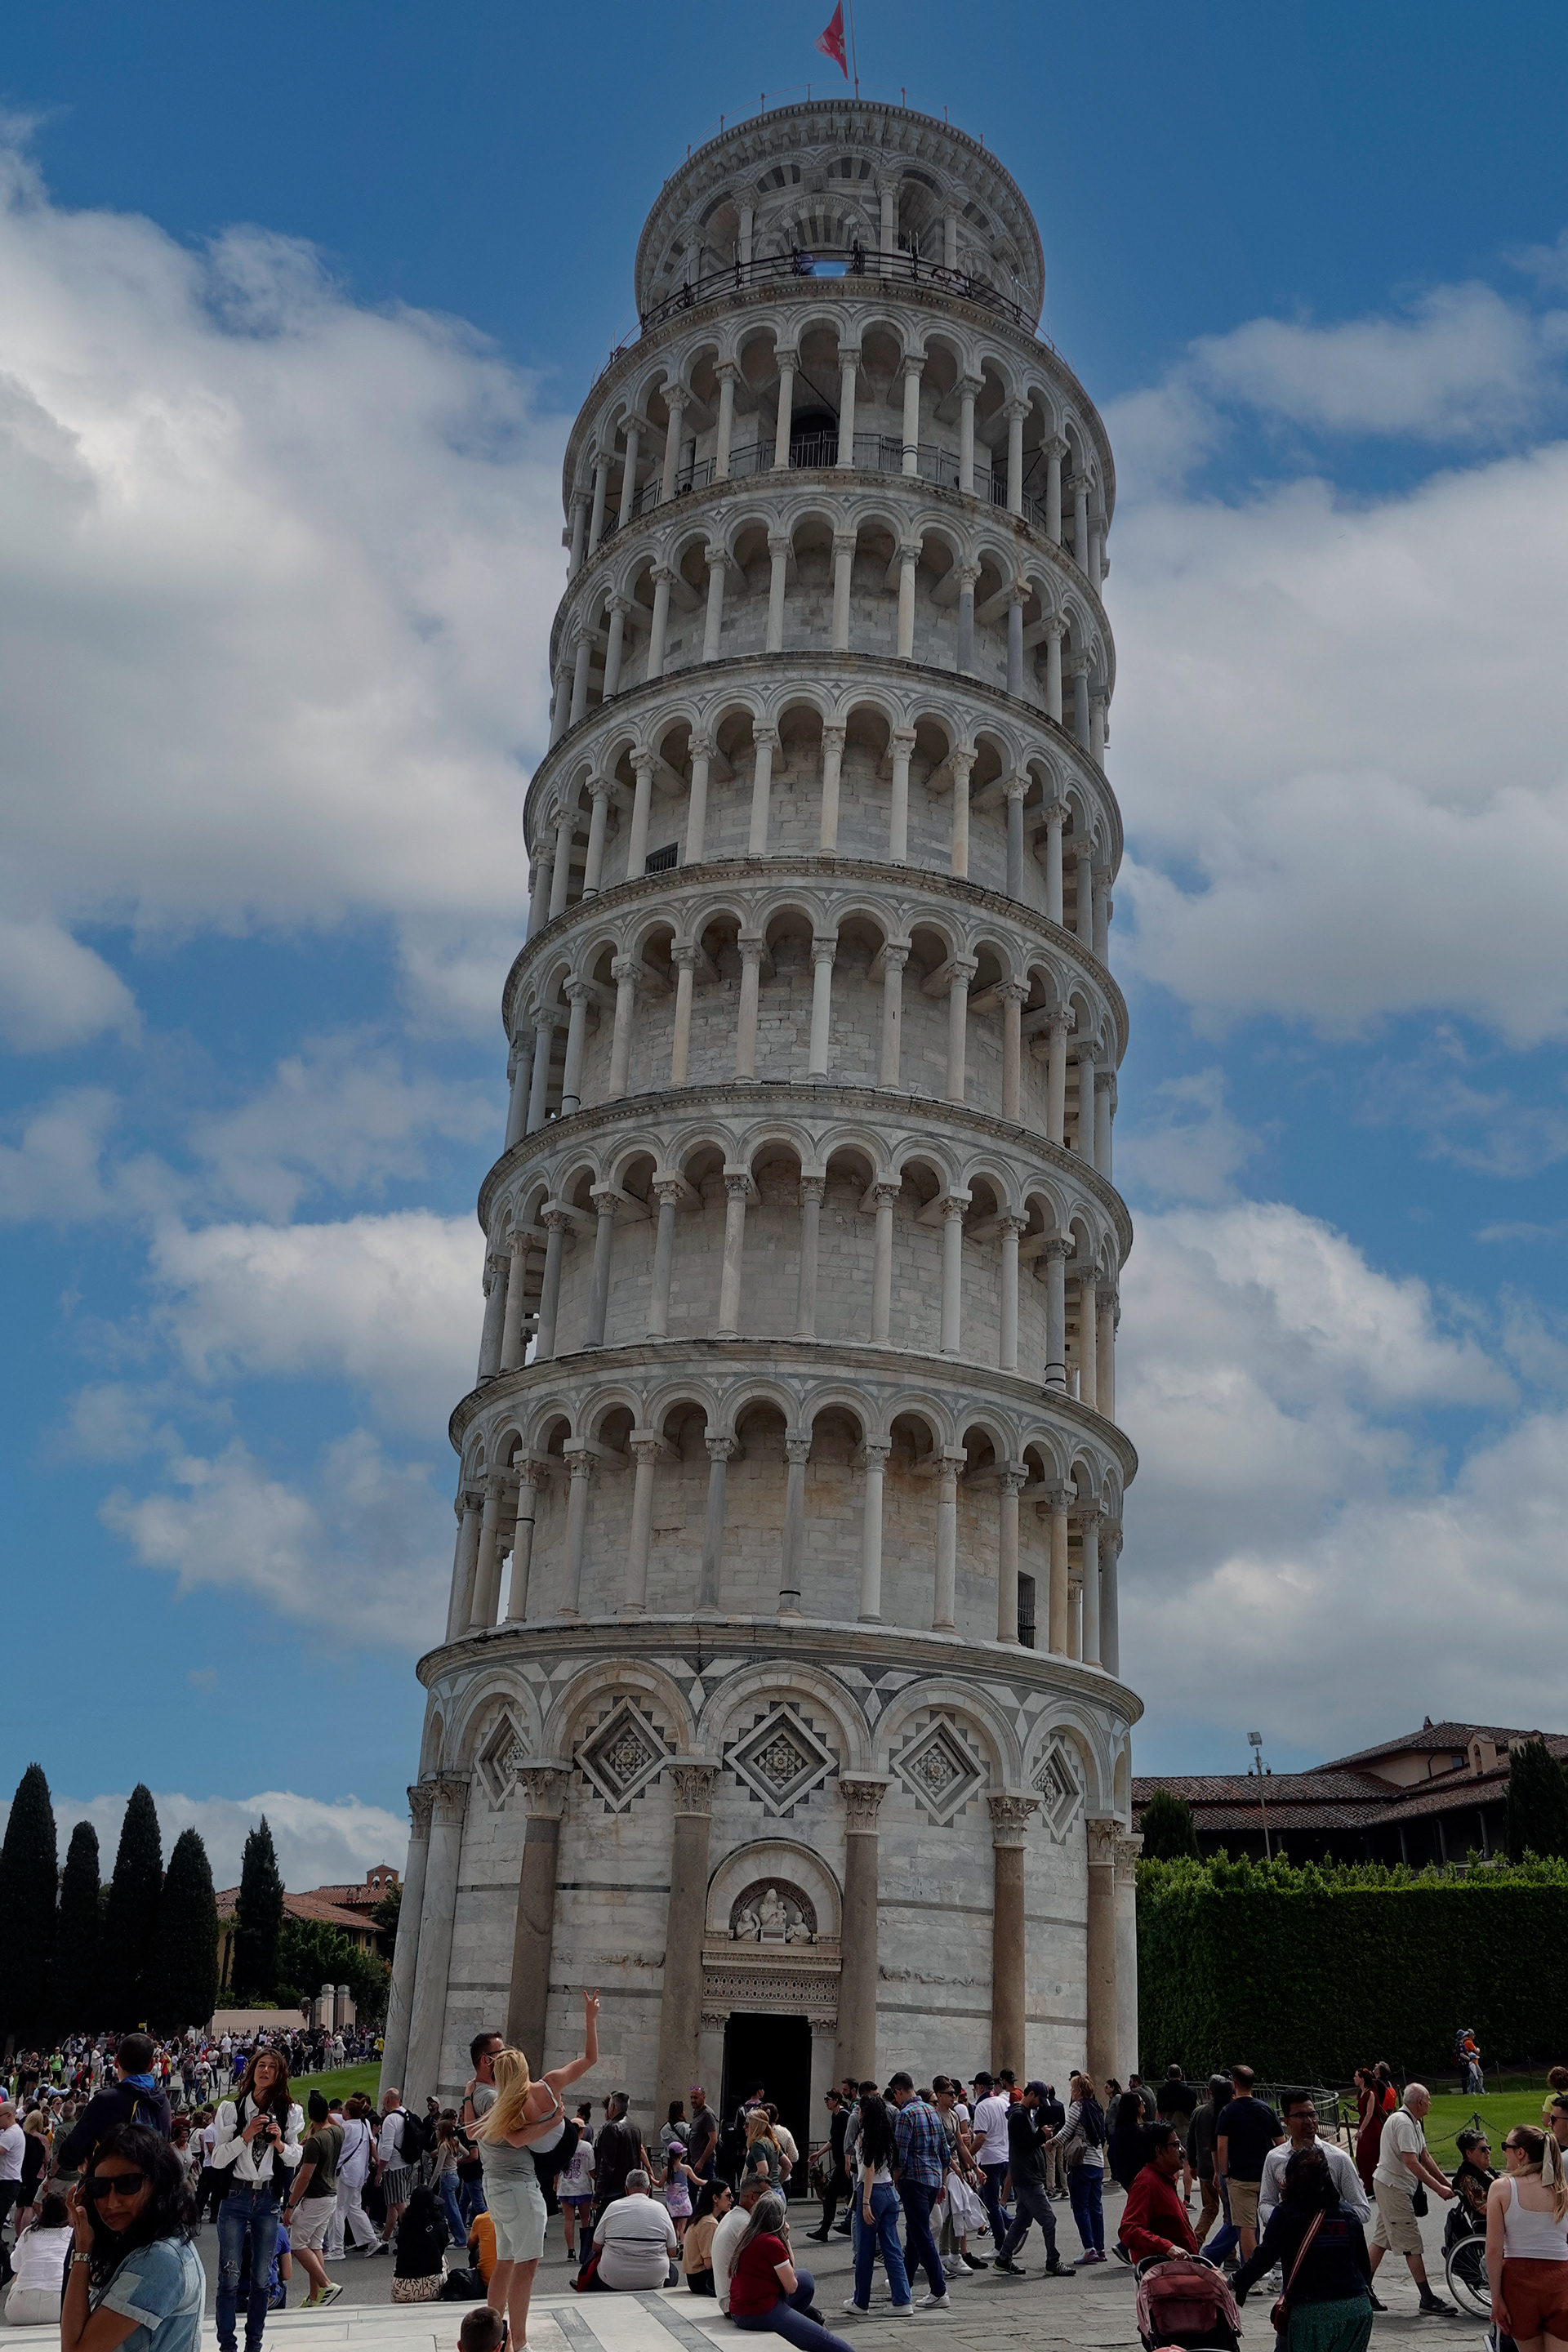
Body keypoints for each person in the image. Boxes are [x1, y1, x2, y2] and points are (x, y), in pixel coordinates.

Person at [476, 1989, 599, 2349]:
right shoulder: (548, 2085)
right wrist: (590, 2019)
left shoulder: (507, 2105)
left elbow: (515, 2140)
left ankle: (491, 2338)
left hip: (520, 2176)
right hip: (552, 2156)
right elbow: (590, 2058)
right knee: (525, 2267)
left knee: (507, 2261)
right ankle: (519, 2344)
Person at [60, 2125, 203, 2352]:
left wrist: (82, 2250)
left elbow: (75, 2349)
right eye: (100, 2188)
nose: (111, 2202)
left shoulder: (160, 2258)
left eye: (128, 2184)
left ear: (159, 2182)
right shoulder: (138, 2241)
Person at [1232, 2143, 1374, 2352]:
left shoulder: (1286, 2214)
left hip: (1310, 2312)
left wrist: (1235, 2282)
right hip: (1355, 2309)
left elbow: (1263, 2258)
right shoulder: (1348, 2215)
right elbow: (1364, 2265)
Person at [211, 2048, 301, 2352]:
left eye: (271, 2068)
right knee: (229, 2275)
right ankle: (227, 2345)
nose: (265, 2071)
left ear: (279, 2075)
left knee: (263, 2277)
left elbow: (294, 2158)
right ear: (252, 2071)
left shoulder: (289, 2112)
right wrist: (246, 2135)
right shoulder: (231, 2110)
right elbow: (218, 2160)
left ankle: (254, 2343)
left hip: (267, 2199)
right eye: (260, 2065)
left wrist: (279, 2143)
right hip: (235, 2197)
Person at [1367, 2082, 1456, 2314]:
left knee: (1381, 2240)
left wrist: (1448, 2183)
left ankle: (1362, 2289)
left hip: (1391, 2185)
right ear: (1419, 2102)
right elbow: (1412, 2161)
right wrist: (1439, 2189)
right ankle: (1426, 2298)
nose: (1430, 2104)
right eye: (1428, 2100)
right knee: (1412, 2243)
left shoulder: (1411, 2121)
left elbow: (1424, 2156)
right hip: (1394, 2186)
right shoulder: (1405, 2123)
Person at [728, 2189, 851, 2352]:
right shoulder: (771, 2242)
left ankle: (791, 2325)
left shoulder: (747, 2234)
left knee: (806, 2279)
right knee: (828, 2341)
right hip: (760, 2311)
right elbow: (791, 2286)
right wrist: (785, 2239)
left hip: (740, 2309)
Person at [1487, 2123, 1568, 2352]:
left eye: (1506, 2146)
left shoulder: (1502, 2188)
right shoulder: (1563, 2191)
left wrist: (1496, 2298)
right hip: (1561, 2279)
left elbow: (1493, 2250)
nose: (1503, 2152)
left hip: (1519, 2282)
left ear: (1520, 2153)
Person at [55, 2041, 172, 2179]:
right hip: (154, 2188)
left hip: (113, 2190)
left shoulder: (106, 2100)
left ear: (116, 2062)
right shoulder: (163, 2099)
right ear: (152, 2064)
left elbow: (69, 2154)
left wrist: (92, 2166)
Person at [992, 2082, 1072, 2281]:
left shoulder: (1022, 2114)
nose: (1040, 2104)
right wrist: (1041, 2136)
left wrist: (1040, 2135)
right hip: (1027, 2177)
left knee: (1022, 2220)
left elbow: (1027, 2141)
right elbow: (1026, 2143)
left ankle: (1003, 2257)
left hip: (1026, 2174)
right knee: (1048, 2220)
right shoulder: (1019, 2115)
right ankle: (1052, 2262)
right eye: (1039, 2099)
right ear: (1031, 2094)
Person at [1259, 2092, 1370, 2232]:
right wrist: (1281, 2220)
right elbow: (1265, 2203)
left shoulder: (1338, 2158)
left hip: (1330, 2244)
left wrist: (1326, 2222)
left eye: (1312, 2115)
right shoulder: (1275, 2158)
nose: (1309, 2121)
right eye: (1300, 2116)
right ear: (1286, 2121)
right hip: (1292, 2246)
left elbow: (1363, 2209)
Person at [844, 2091, 911, 2315]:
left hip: (871, 2192)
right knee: (892, 2248)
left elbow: (869, 2168)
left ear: (864, 2113)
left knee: (865, 2250)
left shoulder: (865, 2135)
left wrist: (864, 2202)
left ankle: (861, 2302)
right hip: (889, 2189)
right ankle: (903, 2299)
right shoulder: (887, 2134)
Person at [887, 2074, 949, 2306]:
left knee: (921, 2235)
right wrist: (942, 2182)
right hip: (933, 2179)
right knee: (915, 2235)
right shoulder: (932, 2111)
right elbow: (944, 2150)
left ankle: (939, 2290)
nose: (896, 2099)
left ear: (899, 2090)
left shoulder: (905, 2115)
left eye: (895, 2094)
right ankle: (904, 2285)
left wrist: (894, 2181)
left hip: (914, 2180)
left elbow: (900, 2156)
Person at [280, 2093, 344, 2309]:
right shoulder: (337, 2131)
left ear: (309, 2116)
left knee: (297, 2245)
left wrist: (290, 2205)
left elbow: (305, 2176)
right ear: (328, 2112)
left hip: (315, 2196)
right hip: (330, 2194)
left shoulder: (315, 2142)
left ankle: (326, 2284)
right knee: (315, 2244)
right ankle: (315, 2297)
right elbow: (331, 2121)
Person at [1216, 2065, 1283, 2262]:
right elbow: (1281, 2143)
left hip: (1240, 2176)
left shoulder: (1227, 2111)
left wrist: (1225, 2173)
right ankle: (1278, 2272)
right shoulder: (1266, 2109)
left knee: (1246, 2226)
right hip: (1266, 2175)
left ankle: (1252, 2275)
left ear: (1234, 2085)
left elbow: (1222, 2146)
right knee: (1274, 2224)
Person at [1120, 2123, 1201, 2262]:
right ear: (1159, 2150)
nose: (1182, 2151)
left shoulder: (1165, 2180)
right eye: (1176, 2145)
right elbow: (1129, 2229)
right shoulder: (1146, 2183)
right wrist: (1167, 2248)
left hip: (1183, 2271)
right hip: (1164, 2275)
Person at [589, 2168, 676, 2290]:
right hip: (653, 2278)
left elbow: (596, 2246)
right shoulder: (660, 2209)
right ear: (648, 2190)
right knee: (673, 2272)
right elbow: (672, 2251)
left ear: (626, 2190)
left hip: (613, 2278)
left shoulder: (613, 2207)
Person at [3, 2189, 74, 2326]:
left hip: (20, 2310)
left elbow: (14, 2266)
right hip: (59, 2306)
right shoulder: (71, 2235)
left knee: (18, 2275)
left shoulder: (28, 2233)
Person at [1060, 2069, 1107, 2264]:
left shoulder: (1077, 2107)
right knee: (1096, 2206)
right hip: (1097, 2162)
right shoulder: (1097, 2107)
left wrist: (1050, 2143)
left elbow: (1066, 2131)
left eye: (1072, 2088)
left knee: (1080, 2206)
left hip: (1082, 2162)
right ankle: (1100, 2248)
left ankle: (1089, 2248)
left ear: (1078, 2090)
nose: (1071, 2091)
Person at [968, 2072, 1012, 2252]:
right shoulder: (1004, 2102)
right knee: (987, 2197)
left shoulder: (982, 2106)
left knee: (991, 2203)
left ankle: (1000, 2244)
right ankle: (1013, 2224)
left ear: (979, 2088)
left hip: (990, 2159)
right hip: (1005, 2155)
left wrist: (967, 2156)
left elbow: (980, 2137)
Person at [713, 2173, 769, 2314]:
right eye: (767, 2197)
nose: (771, 2201)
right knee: (803, 2284)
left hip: (729, 2299)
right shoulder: (746, 2224)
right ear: (752, 2197)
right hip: (737, 2303)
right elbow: (772, 2266)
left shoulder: (733, 2216)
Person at [1187, 2074, 1231, 2254]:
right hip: (1224, 2169)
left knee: (1209, 2209)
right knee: (1230, 2214)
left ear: (1209, 2091)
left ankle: (1196, 2241)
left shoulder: (1199, 2112)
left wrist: (1192, 2163)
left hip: (1204, 2167)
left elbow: (1190, 2140)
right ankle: (1230, 2253)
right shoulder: (1228, 2111)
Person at [390, 2185, 448, 2302]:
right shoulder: (439, 2225)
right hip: (432, 2288)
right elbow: (442, 2247)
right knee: (443, 2258)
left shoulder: (405, 2225)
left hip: (401, 2290)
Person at [373, 2090, 412, 2251]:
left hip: (394, 2167)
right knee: (392, 2205)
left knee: (399, 2204)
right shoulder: (406, 2114)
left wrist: (380, 2171)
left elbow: (387, 2148)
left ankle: (411, 2238)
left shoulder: (390, 2119)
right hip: (405, 2164)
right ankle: (385, 2239)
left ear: (388, 2099)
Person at [809, 2091, 849, 2241]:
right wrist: (818, 2154)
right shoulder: (836, 2116)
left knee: (832, 2194)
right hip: (841, 2161)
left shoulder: (844, 2115)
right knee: (851, 2194)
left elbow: (847, 2140)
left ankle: (824, 2230)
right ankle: (851, 2225)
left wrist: (847, 2160)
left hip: (844, 2162)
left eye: (828, 2099)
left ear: (836, 2100)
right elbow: (834, 2139)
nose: (826, 2102)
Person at [557, 2112, 595, 2262]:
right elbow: (591, 2169)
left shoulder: (563, 2145)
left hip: (565, 2186)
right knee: (585, 2219)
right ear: (582, 2131)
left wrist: (555, 2183)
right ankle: (584, 2251)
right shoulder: (587, 2147)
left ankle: (570, 2251)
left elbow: (557, 2167)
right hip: (583, 2187)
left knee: (569, 2219)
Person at [684, 2179, 731, 2294]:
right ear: (715, 2198)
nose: (732, 2200)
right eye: (728, 2196)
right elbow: (709, 2263)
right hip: (703, 2280)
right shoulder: (709, 2223)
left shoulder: (702, 2218)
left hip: (695, 2278)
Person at [1450, 2127, 1496, 2240]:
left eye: (1488, 2148)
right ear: (1469, 2153)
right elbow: (1484, 2208)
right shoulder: (1467, 2177)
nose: (1488, 2152)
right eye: (1483, 2149)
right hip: (1489, 2223)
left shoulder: (1485, 2170)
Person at [1352, 2068, 1392, 2199]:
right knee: (1363, 2157)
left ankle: (1374, 2186)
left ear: (1362, 2078)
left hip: (1372, 2129)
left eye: (1356, 2076)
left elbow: (1369, 2114)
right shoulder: (1362, 2093)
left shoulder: (1371, 2094)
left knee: (1370, 2156)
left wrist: (1360, 2131)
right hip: (1366, 2126)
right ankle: (1369, 2185)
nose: (1354, 2079)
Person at [685, 2089, 717, 2185]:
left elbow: (713, 2139)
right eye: (691, 2097)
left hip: (705, 2163)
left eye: (696, 2098)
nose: (692, 2100)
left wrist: (701, 2162)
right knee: (691, 2193)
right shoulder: (696, 2112)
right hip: (693, 2162)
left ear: (703, 2097)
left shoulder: (707, 2114)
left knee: (708, 2193)